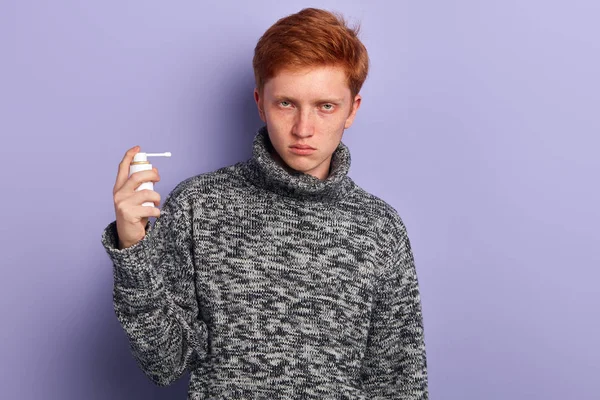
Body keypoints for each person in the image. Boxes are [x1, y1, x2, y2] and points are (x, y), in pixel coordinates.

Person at [101, 7, 428, 399]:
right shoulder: (198, 206)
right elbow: (164, 364)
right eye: (286, 103)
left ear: (352, 110)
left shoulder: (380, 227)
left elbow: (399, 384)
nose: (303, 129)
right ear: (260, 102)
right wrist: (133, 249)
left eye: (326, 106)